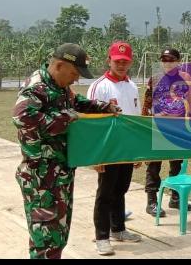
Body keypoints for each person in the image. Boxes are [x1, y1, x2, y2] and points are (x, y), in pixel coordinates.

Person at [13, 43, 121, 259]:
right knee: (45, 239)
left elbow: (75, 102)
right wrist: (67, 117)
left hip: (59, 173)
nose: (76, 79)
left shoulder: (58, 86)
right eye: (74, 73)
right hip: (41, 178)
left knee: (58, 235)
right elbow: (22, 118)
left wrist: (102, 106)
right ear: (60, 65)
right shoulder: (36, 87)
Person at [87, 42, 143, 256]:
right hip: (108, 149)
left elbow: (135, 120)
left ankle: (118, 229)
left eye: (125, 62)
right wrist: (97, 155)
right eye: (117, 61)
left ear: (130, 62)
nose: (121, 65)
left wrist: (137, 150)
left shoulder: (132, 85)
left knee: (121, 189)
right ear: (108, 60)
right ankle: (102, 237)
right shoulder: (99, 86)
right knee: (105, 193)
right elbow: (91, 122)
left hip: (127, 147)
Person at [142, 48, 191, 218]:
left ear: (178, 61)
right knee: (154, 165)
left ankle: (175, 197)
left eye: (171, 59)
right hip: (157, 127)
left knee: (177, 164)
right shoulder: (155, 79)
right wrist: (146, 123)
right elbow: (147, 103)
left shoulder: (185, 78)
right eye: (164, 60)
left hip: (178, 128)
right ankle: (152, 201)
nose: (167, 63)